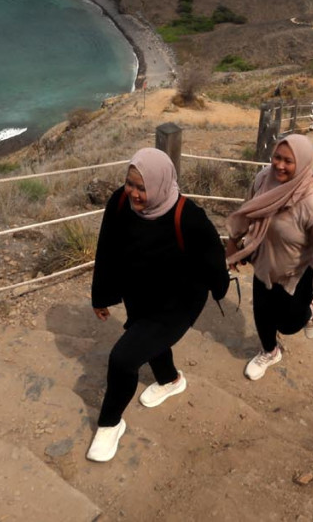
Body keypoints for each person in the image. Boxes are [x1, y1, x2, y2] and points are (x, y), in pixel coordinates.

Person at [87, 148, 229, 462]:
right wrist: (102, 295)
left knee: (123, 358)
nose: (135, 193)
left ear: (161, 183)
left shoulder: (188, 217)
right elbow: (107, 247)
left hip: (178, 303)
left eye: (143, 186)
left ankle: (110, 423)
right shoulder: (120, 202)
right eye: (130, 183)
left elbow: (214, 259)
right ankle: (170, 380)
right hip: (139, 292)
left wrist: (220, 289)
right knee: (147, 342)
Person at [226, 135, 313, 381]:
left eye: (289, 161)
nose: (279, 165)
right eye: (277, 157)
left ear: (304, 163)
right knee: (262, 314)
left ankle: (310, 303)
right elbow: (248, 210)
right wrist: (233, 241)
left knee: (289, 324)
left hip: (297, 271)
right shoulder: (263, 180)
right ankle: (270, 351)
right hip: (265, 261)